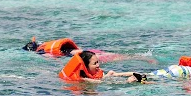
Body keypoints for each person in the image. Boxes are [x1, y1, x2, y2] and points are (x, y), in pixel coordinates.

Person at [23, 36, 156, 63]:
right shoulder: (48, 46)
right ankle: (142, 57)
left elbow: (53, 57)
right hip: (87, 50)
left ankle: (142, 58)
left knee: (115, 57)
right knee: (116, 55)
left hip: (83, 55)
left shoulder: (43, 52)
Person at [58, 50, 139, 83]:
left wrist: (136, 74)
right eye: (94, 63)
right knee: (111, 74)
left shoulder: (97, 72)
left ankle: (146, 74)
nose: (98, 65)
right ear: (85, 67)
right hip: (96, 83)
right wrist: (126, 82)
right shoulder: (83, 79)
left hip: (102, 78)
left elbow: (108, 78)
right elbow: (102, 83)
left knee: (112, 73)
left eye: (98, 62)